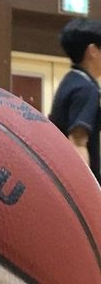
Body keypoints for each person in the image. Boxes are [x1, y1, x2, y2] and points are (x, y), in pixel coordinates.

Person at [50, 18, 101, 184]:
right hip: (76, 186)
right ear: (93, 51)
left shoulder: (71, 81)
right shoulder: (86, 89)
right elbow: (78, 142)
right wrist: (86, 192)